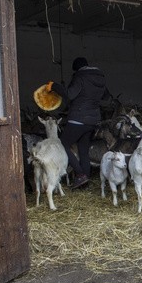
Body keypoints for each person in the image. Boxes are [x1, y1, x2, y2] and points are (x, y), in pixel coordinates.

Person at [50, 57, 110, 189]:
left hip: (78, 118)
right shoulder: (100, 78)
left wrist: (54, 86)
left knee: (62, 144)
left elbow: (70, 94)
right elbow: (106, 97)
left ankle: (80, 174)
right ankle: (84, 183)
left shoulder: (80, 77)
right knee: (83, 150)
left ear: (76, 68)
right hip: (93, 120)